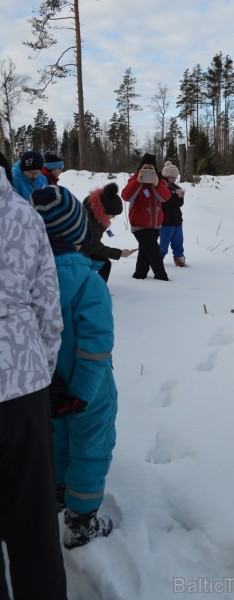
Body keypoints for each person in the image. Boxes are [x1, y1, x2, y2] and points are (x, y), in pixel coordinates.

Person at [30, 184, 118, 550]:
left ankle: (57, 491)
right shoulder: (88, 283)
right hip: (88, 391)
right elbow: (96, 347)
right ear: (78, 231)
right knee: (91, 447)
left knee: (57, 440)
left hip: (48, 388)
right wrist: (81, 394)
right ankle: (82, 521)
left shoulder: (30, 279)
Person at [0, 153, 68, 598]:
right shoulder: (23, 214)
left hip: (25, 381)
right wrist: (38, 373)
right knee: (34, 523)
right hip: (23, 386)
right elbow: (48, 306)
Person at [121, 152, 171, 280]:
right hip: (139, 225)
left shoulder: (160, 182)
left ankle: (140, 274)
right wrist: (138, 183)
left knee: (144, 251)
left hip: (155, 225)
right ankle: (161, 276)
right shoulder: (134, 180)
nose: (148, 170)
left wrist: (157, 185)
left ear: (155, 170)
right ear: (140, 168)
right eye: (145, 168)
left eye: (151, 168)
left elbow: (166, 197)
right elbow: (126, 196)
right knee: (154, 252)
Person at [80, 182, 135, 282]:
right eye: (112, 214)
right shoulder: (91, 222)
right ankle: (97, 290)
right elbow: (96, 246)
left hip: (86, 249)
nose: (112, 217)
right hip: (79, 252)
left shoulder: (93, 215)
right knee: (105, 264)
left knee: (104, 263)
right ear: (103, 210)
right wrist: (120, 253)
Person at [160, 161, 186, 267]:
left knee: (178, 242)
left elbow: (178, 204)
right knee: (163, 245)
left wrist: (181, 197)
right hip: (166, 222)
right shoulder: (162, 187)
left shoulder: (175, 186)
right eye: (172, 178)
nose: (174, 180)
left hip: (177, 221)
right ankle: (157, 259)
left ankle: (179, 258)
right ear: (166, 176)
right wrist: (176, 197)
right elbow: (164, 205)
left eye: (175, 178)